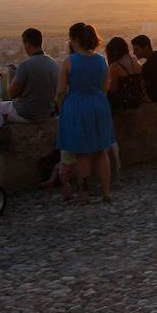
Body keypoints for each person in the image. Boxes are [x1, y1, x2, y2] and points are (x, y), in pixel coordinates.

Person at [56, 23, 114, 204]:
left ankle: (84, 195)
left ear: (75, 40)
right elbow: (106, 85)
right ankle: (106, 192)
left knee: (81, 154)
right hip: (98, 104)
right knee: (101, 151)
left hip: (76, 106)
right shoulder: (101, 60)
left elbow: (60, 91)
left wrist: (61, 108)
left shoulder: (69, 61)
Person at [0, 28, 59, 124]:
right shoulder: (54, 64)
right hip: (47, 113)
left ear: (27, 43)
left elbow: (11, 94)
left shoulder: (25, 66)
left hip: (27, 114)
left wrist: (12, 77)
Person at [105, 37, 144, 112]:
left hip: (124, 103)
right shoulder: (135, 61)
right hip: (137, 100)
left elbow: (113, 89)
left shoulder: (115, 66)